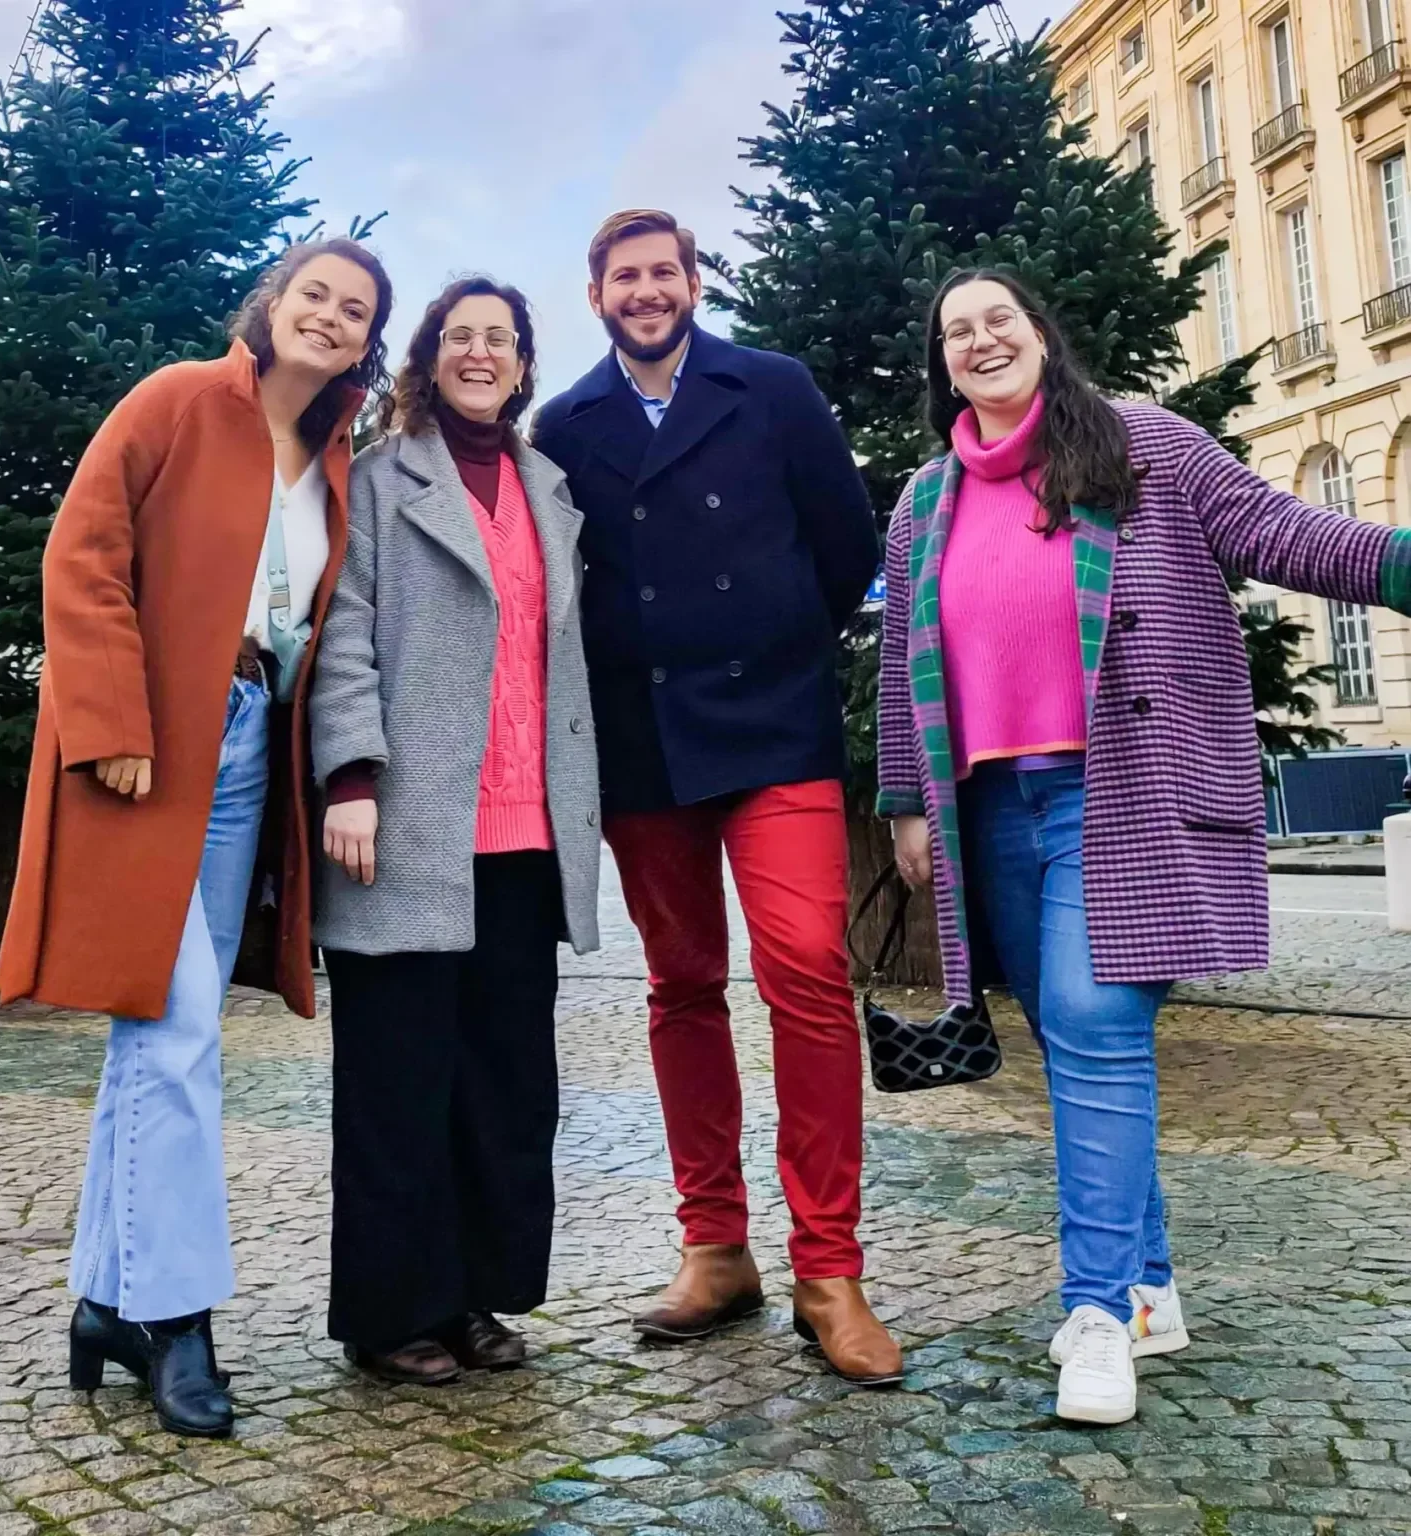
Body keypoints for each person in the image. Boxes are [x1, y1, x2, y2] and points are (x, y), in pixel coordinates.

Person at [879, 267, 1411, 1426]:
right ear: (942, 362)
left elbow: (1280, 530)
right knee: (1071, 1035)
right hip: (989, 809)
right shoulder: (922, 500)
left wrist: (1398, 566)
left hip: (1116, 790)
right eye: (955, 332)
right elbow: (897, 661)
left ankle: (1095, 1312)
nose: (978, 342)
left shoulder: (1142, 447)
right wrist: (903, 803)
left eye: (997, 322)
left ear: (1038, 335)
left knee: (1090, 1023)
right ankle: (1155, 1288)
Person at [0, 239, 395, 1436]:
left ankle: (109, 1301)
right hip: (151, 744)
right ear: (271, 306)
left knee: (163, 1032)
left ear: (367, 342)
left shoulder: (331, 457)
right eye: (314, 293)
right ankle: (177, 1316)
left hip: (244, 753)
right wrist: (112, 719)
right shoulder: (176, 399)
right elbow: (85, 554)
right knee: (172, 1038)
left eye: (356, 309)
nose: (329, 316)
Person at [533, 209, 899, 1386]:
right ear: (595, 295)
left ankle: (828, 1268)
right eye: (623, 277)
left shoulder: (775, 387)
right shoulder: (565, 424)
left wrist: (776, 633)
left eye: (663, 272)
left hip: (773, 726)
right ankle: (714, 1246)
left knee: (802, 967)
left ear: (693, 283)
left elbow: (848, 545)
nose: (646, 291)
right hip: (643, 745)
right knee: (680, 984)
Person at [311, 277, 601, 1386]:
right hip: (405, 824)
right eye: (460, 337)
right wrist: (349, 772)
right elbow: (340, 628)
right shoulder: (379, 481)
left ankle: (478, 1294)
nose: (481, 353)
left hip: (526, 834)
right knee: (398, 1080)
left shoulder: (549, 488)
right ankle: (392, 1310)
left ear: (524, 365)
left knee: (505, 1082)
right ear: (427, 361)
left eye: (502, 339)